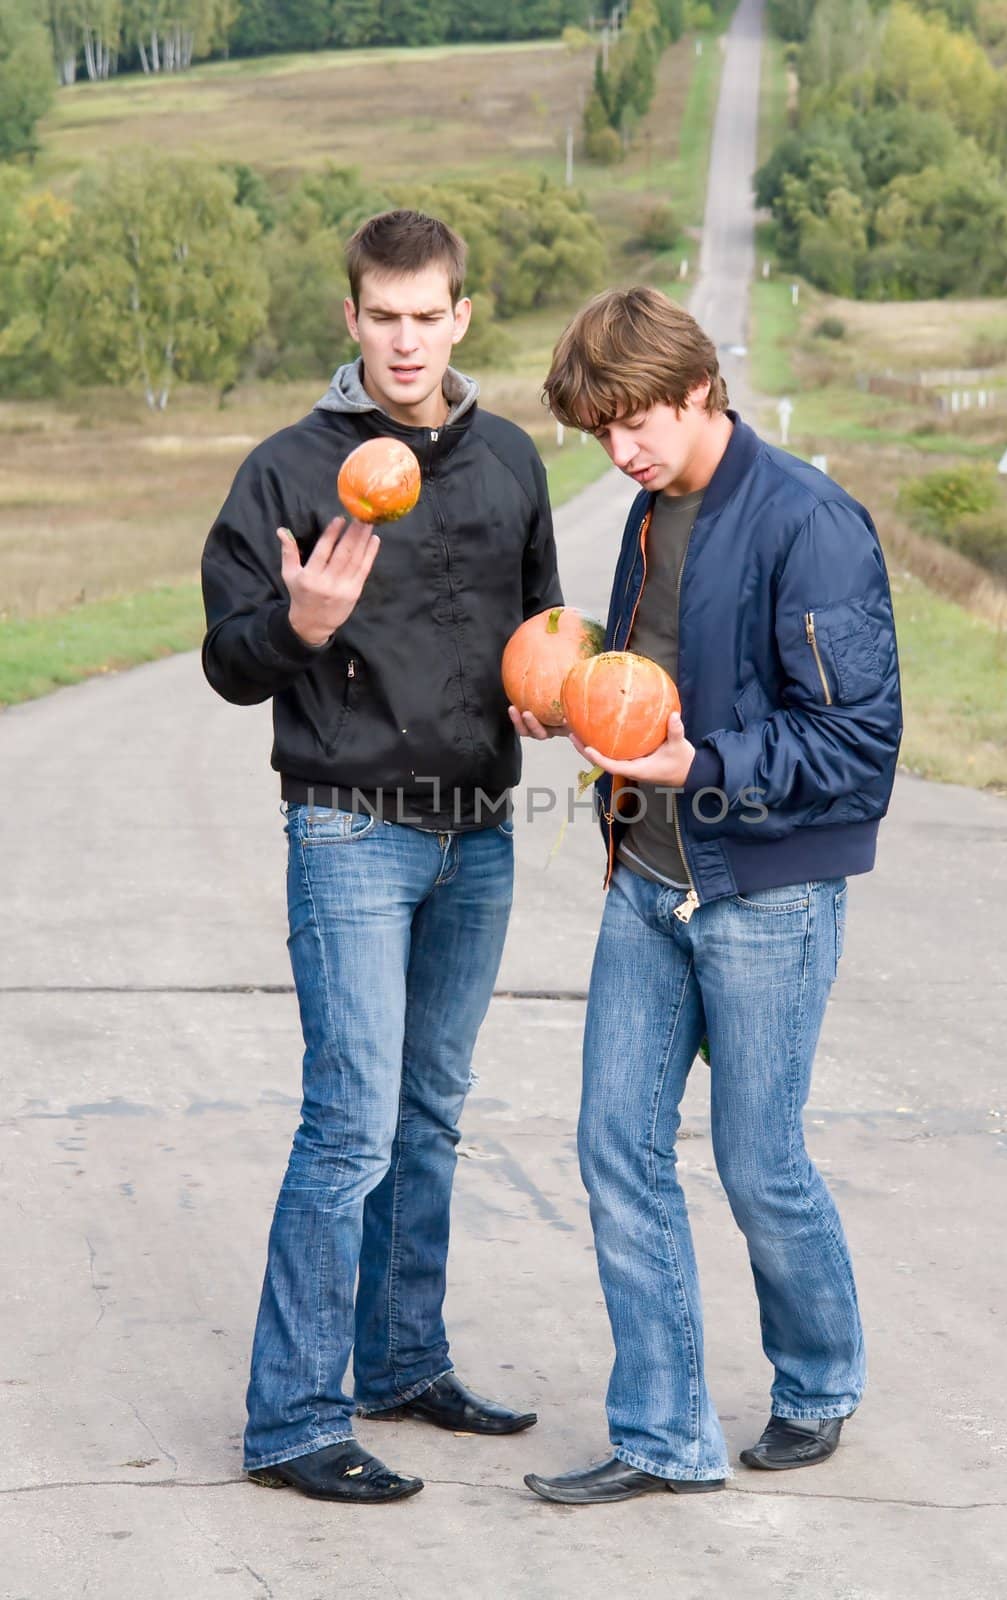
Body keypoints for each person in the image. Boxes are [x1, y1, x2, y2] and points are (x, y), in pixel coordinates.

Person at [512, 286, 903, 1505]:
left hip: (763, 899)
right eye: (599, 430)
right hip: (650, 881)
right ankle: (661, 1435)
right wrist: (569, 703)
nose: (618, 447)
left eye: (632, 419)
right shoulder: (648, 509)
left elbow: (859, 746)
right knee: (611, 1148)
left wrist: (702, 765)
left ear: (698, 388)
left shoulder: (811, 524)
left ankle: (819, 1379)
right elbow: (649, 679)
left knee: (756, 1162)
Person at [202, 209, 561, 1505]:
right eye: (383, 317)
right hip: (349, 827)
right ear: (351, 320)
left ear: (461, 316)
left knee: (428, 1117)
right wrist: (298, 624)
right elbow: (226, 663)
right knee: (348, 1124)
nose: (406, 341)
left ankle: (401, 1357)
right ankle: (293, 1421)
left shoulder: (511, 460)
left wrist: (547, 697)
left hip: (477, 837)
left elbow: (540, 635)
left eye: (429, 315)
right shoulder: (289, 471)